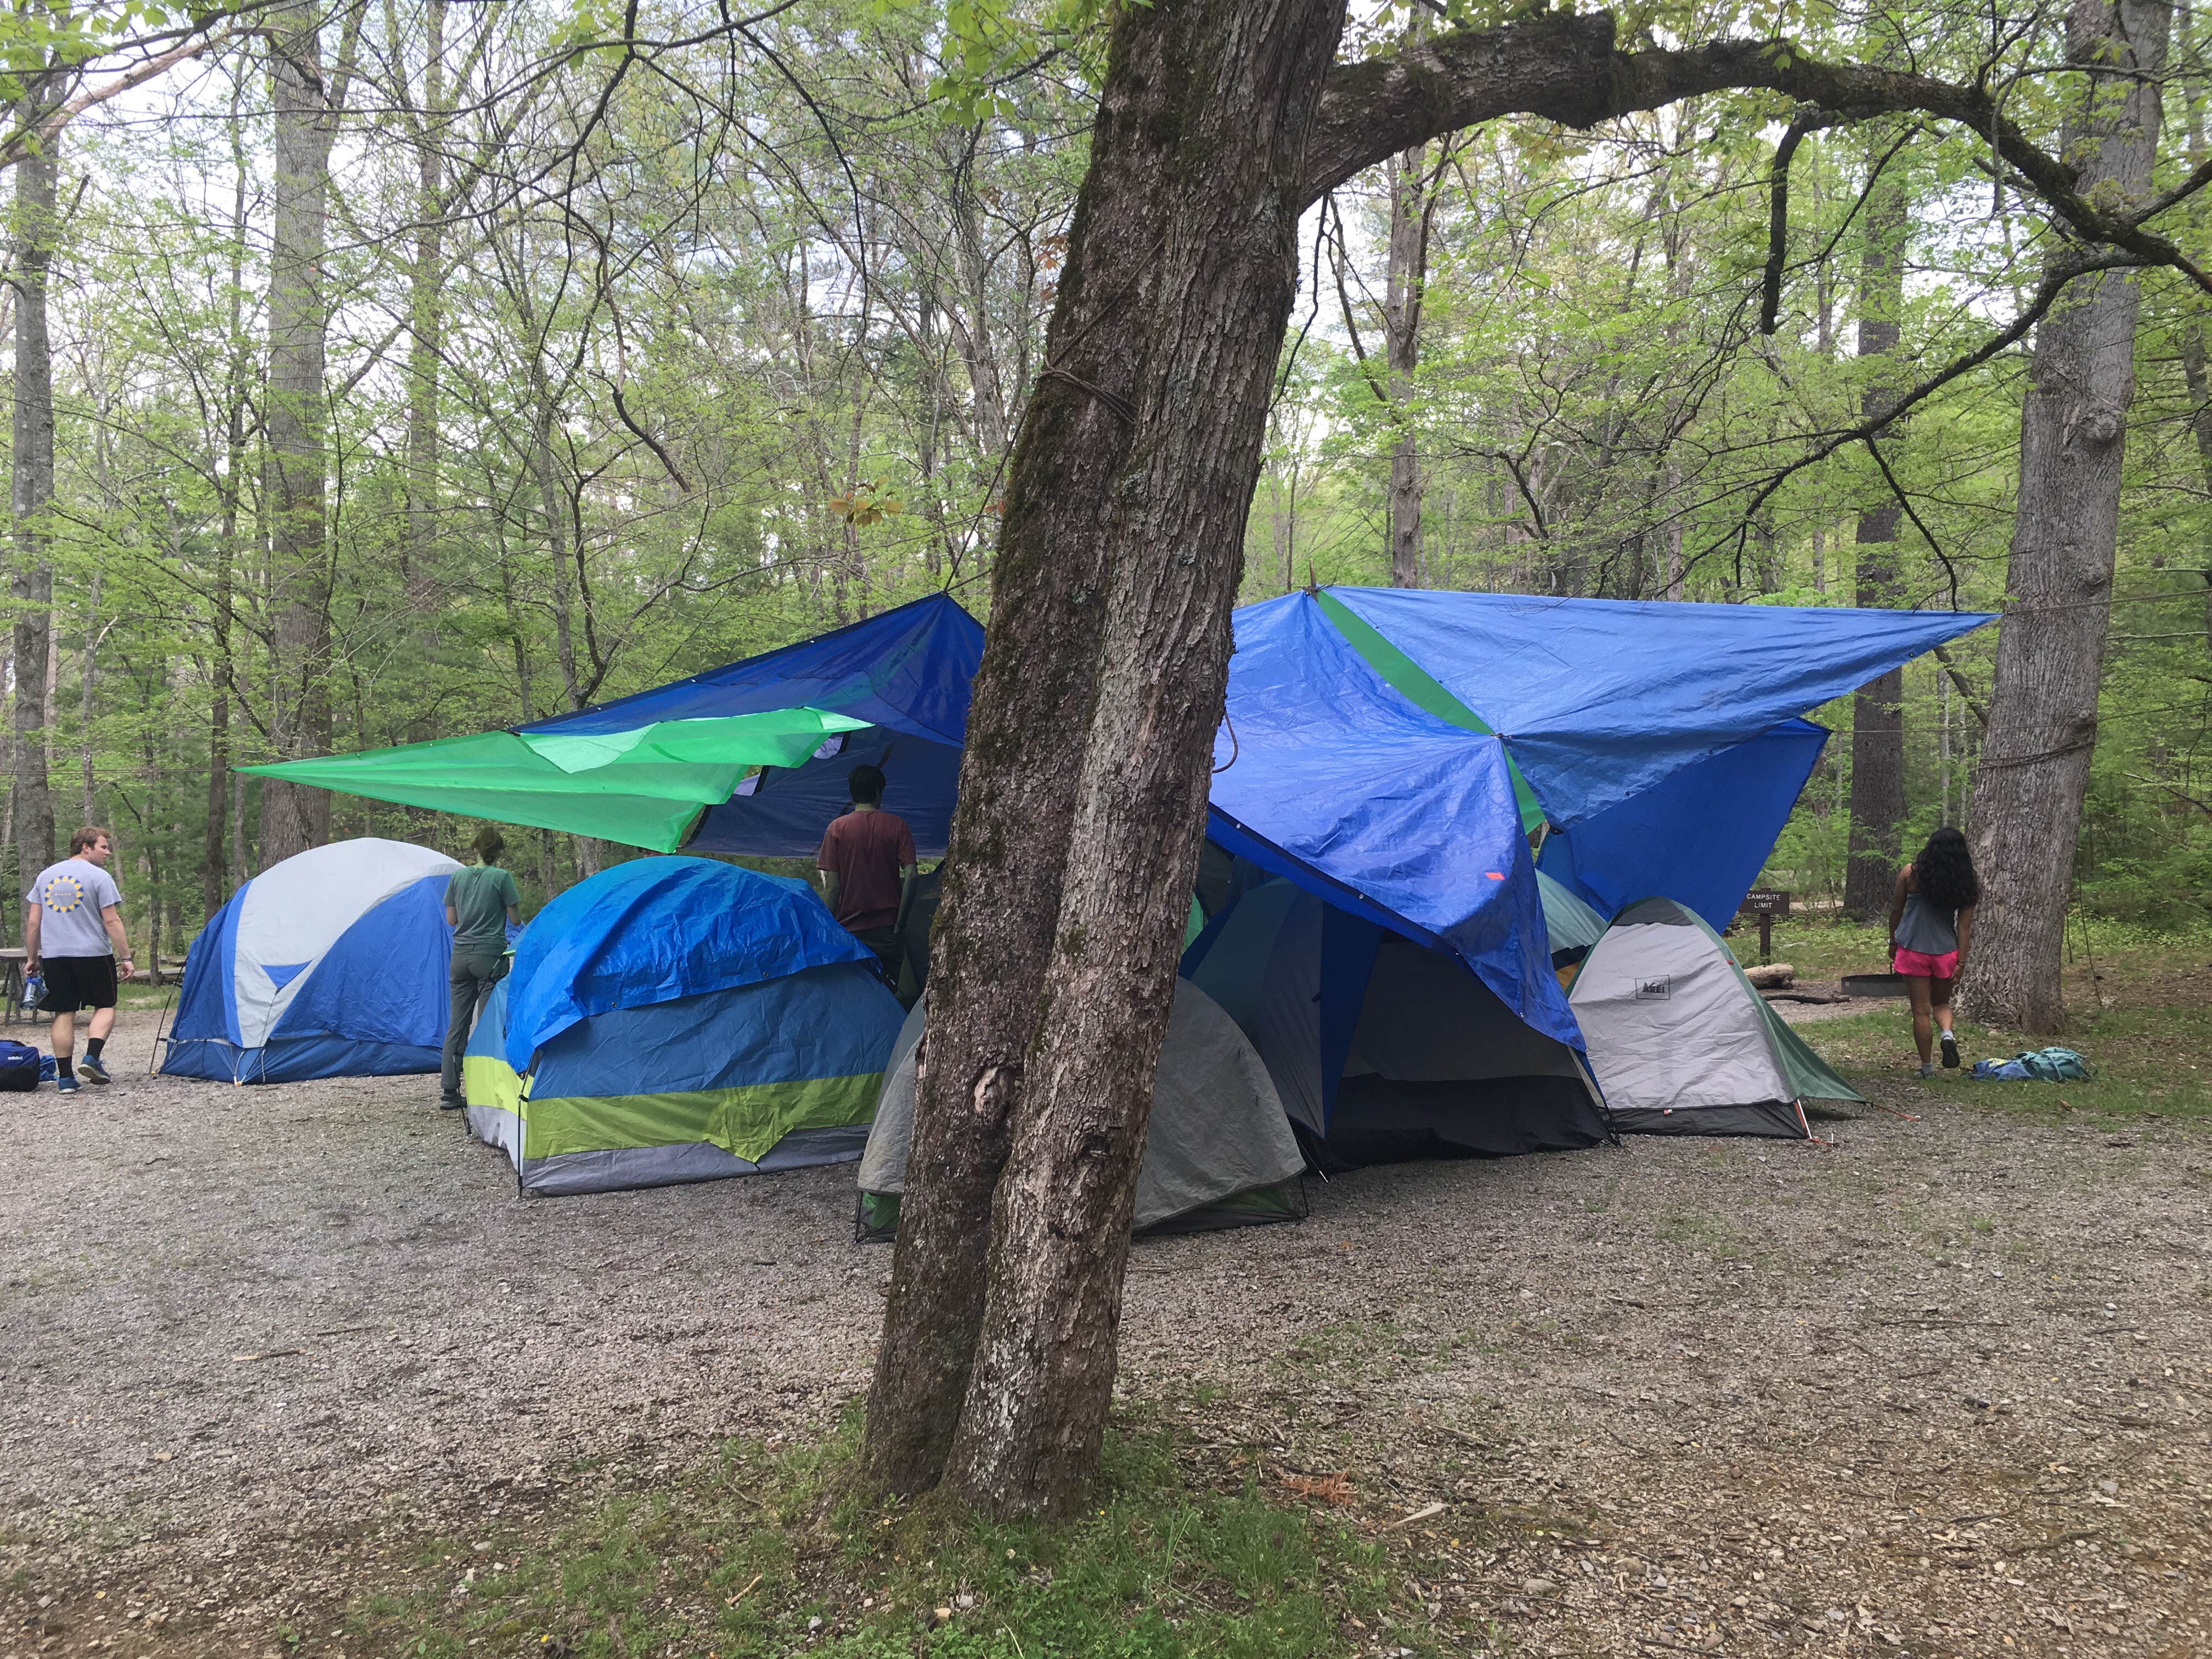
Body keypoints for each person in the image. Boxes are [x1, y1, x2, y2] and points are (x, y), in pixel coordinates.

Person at [24, 826, 133, 1091]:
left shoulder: (46, 876)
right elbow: (112, 921)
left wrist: (32, 958)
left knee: (64, 1012)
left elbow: (34, 922)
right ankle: (92, 1058)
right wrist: (126, 957)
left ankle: (65, 1079)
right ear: (86, 847)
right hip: (93, 954)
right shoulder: (100, 877)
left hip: (56, 956)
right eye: (103, 847)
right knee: (105, 1005)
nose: (108, 852)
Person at [1887, 827, 1980, 1079]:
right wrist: (1961, 962)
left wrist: (1893, 941)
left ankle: (1927, 1068)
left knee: (1921, 1011)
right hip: (1946, 952)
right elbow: (1964, 927)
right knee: (1941, 1004)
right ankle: (1947, 1034)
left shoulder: (1910, 873)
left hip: (1913, 949)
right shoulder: (1965, 882)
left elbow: (1896, 910)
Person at [441, 824, 521, 1111]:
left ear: (475, 848)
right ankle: (486, 1091)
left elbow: (452, 920)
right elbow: (515, 920)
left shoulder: (458, 877)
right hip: (490, 956)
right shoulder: (502, 878)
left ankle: (449, 1092)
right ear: (499, 852)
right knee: (488, 1025)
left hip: (460, 957)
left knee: (457, 1025)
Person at [816, 763, 915, 981]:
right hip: (888, 930)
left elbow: (833, 888)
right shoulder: (898, 826)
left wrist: (826, 928)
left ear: (852, 794)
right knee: (889, 992)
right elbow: (911, 877)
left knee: (858, 993)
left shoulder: (836, 828)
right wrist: (900, 923)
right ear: (878, 792)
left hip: (850, 932)